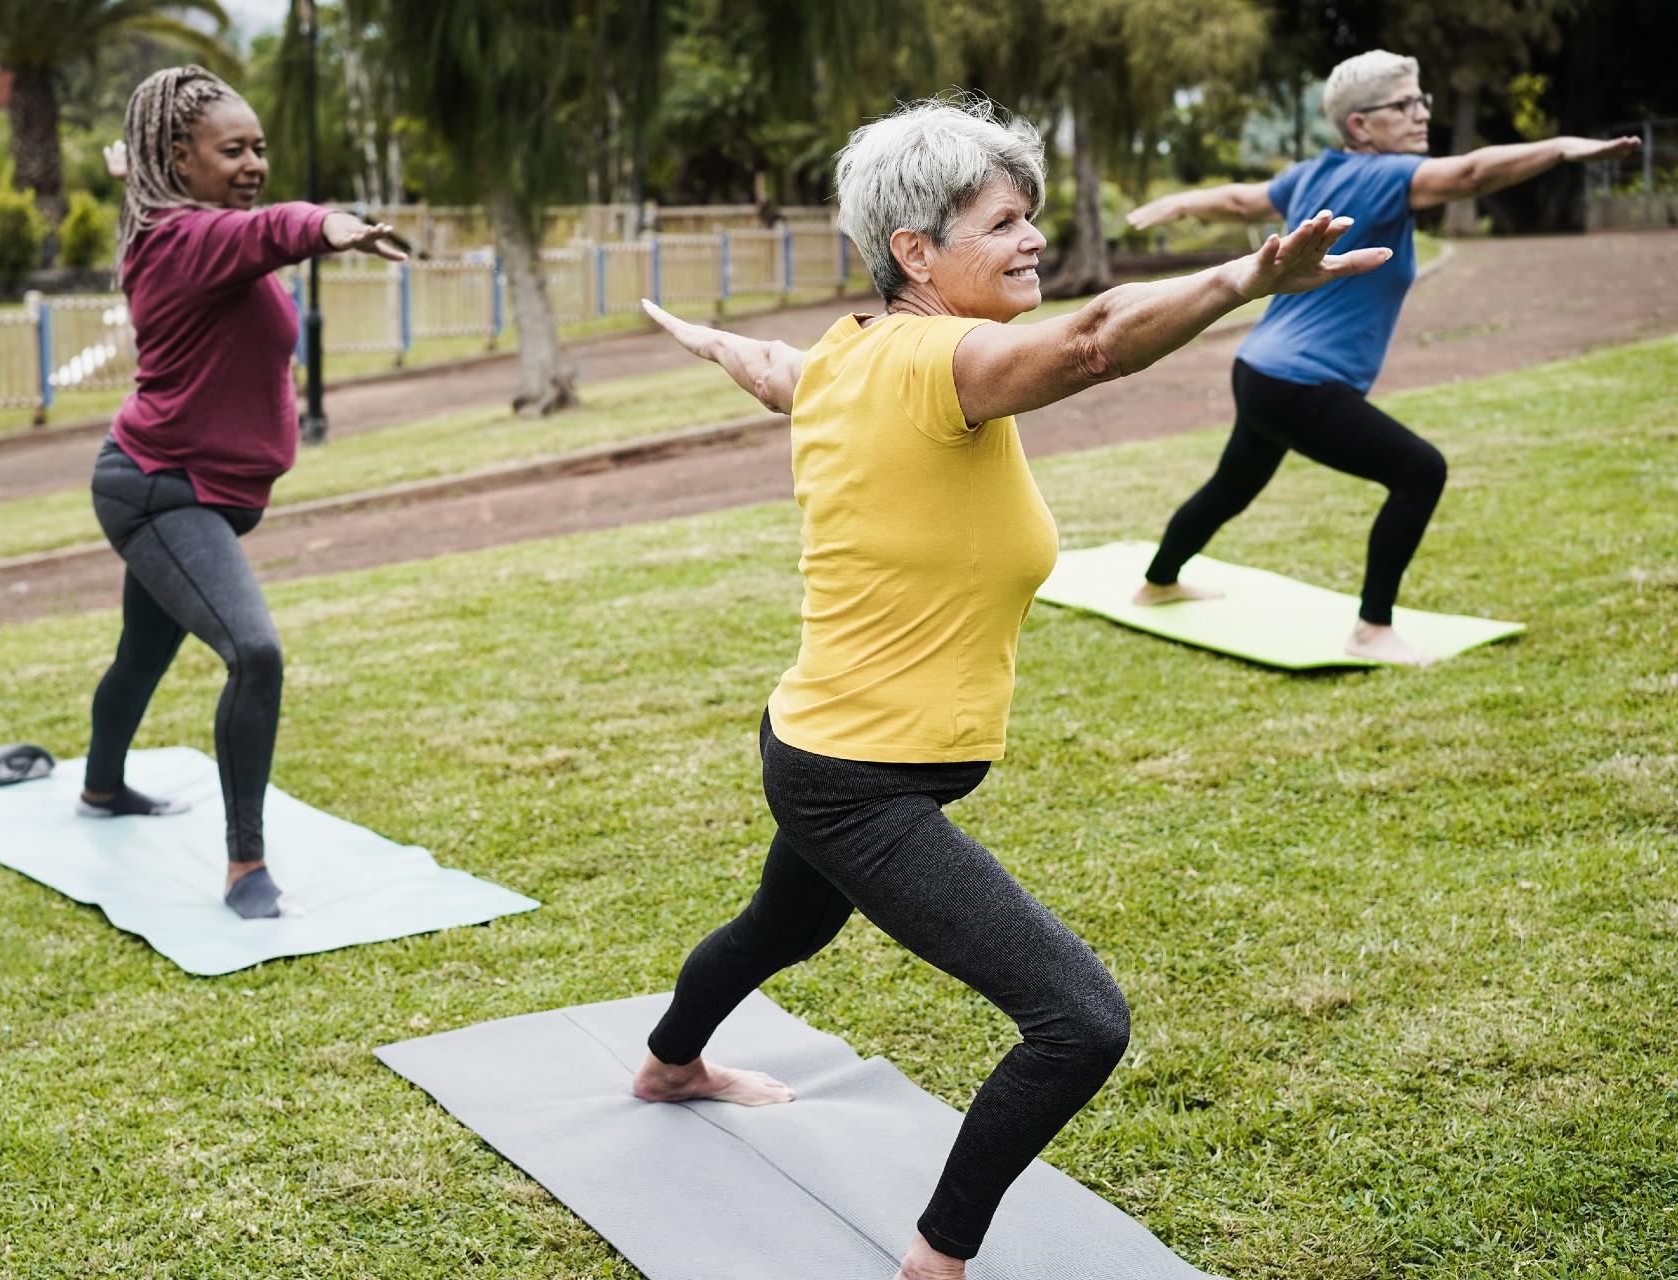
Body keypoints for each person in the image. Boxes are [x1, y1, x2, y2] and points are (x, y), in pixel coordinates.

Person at [629, 96, 1389, 1280]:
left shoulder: (846, 355)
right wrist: (1244, 278)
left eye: (1031, 215)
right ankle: (937, 1259)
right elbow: (1093, 343)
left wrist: (707, 339)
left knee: (784, 923)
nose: (1032, 238)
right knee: (1080, 1019)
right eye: (1002, 222)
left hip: (816, 736)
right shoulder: (944, 359)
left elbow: (772, 367)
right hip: (856, 780)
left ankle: (671, 1060)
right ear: (915, 253)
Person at [1124, 49, 1641, 666]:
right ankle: (1372, 628)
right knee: (1420, 471)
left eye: (1421, 100)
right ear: (1360, 126)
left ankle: (1159, 583)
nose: (1421, 114)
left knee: (1233, 486)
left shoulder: (1312, 173)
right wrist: (1559, 147)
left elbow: (1241, 201)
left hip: (1260, 370)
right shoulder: (1389, 177)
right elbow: (1473, 175)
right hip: (1300, 383)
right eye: (1404, 105)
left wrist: (1181, 204)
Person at [79, 66, 405, 919]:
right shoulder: (190, 241)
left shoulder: (174, 223)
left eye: (260, 147)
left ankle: (102, 789)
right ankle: (245, 870)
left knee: (141, 656)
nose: (255, 161)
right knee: (253, 653)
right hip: (160, 491)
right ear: (180, 157)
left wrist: (135, 169)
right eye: (234, 149)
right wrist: (337, 227)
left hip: (184, 486)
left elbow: (236, 223)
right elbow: (279, 230)